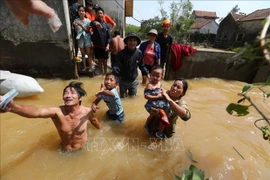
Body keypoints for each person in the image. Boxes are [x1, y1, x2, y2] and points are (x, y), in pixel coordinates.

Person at [0, 81, 101, 151]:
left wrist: (101, 132)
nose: (68, 95)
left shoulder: (87, 111)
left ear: (79, 98)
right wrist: (12, 107)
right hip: (64, 151)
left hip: (82, 150)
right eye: (65, 93)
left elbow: (94, 121)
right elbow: (37, 112)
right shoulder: (57, 112)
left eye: (72, 93)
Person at [112, 32, 149, 98]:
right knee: (123, 98)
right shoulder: (121, 54)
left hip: (133, 81)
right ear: (126, 42)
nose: (132, 42)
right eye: (130, 40)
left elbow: (142, 65)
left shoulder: (139, 53)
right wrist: (115, 80)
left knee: (133, 98)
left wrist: (147, 73)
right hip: (122, 80)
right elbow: (116, 67)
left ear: (137, 42)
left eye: (134, 40)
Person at [143, 66, 171, 139]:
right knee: (160, 115)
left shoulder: (159, 83)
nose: (155, 78)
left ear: (161, 77)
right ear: (150, 75)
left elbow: (161, 89)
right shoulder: (149, 85)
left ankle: (157, 130)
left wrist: (163, 92)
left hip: (158, 103)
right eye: (153, 75)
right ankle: (156, 131)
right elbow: (146, 96)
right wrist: (157, 97)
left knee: (163, 113)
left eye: (157, 76)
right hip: (151, 104)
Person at [91, 7, 111, 76]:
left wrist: (108, 45)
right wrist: (95, 22)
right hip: (97, 46)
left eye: (101, 13)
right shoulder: (94, 23)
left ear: (103, 14)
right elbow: (91, 23)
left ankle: (105, 73)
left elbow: (109, 37)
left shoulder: (106, 25)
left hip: (105, 46)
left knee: (105, 61)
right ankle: (100, 73)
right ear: (96, 14)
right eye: (98, 13)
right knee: (99, 60)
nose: (100, 14)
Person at [73, 5, 93, 72]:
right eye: (80, 11)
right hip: (80, 38)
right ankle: (84, 67)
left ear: (85, 12)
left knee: (89, 53)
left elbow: (88, 31)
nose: (81, 12)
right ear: (78, 12)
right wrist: (76, 27)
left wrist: (81, 25)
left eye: (82, 11)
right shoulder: (76, 20)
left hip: (87, 38)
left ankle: (90, 67)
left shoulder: (88, 21)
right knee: (82, 54)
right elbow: (76, 31)